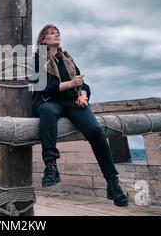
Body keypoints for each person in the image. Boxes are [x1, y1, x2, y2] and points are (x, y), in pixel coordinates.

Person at [32, 23, 128, 207]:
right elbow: (41, 86)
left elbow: (82, 84)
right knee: (47, 111)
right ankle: (51, 166)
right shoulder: (37, 59)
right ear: (43, 39)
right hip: (48, 101)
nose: (56, 34)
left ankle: (112, 183)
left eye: (58, 32)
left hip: (72, 101)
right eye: (51, 33)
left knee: (95, 131)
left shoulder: (66, 58)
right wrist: (70, 84)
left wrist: (83, 95)